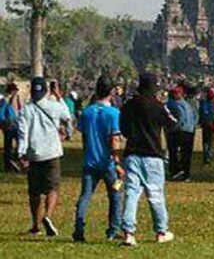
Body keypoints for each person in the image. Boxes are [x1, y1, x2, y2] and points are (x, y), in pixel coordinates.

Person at [120, 72, 176, 246]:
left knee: (131, 194)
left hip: (133, 154)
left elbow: (123, 129)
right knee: (155, 194)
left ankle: (129, 233)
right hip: (153, 155)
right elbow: (173, 123)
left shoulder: (129, 105)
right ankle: (161, 231)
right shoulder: (158, 106)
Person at [18, 77, 72, 237]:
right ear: (46, 90)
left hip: (34, 154)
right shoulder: (54, 106)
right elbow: (67, 114)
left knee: (34, 192)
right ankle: (48, 216)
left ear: (32, 90)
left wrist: (21, 153)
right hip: (52, 152)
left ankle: (35, 225)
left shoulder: (25, 110)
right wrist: (59, 95)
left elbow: (23, 133)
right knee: (53, 188)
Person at [73, 75, 123, 243]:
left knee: (85, 196)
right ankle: (113, 229)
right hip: (107, 162)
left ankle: (78, 229)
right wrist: (117, 162)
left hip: (90, 161)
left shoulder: (87, 112)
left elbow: (85, 137)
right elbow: (114, 139)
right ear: (111, 92)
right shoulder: (114, 113)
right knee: (115, 195)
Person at [165, 86, 197, 182]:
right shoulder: (187, 104)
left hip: (179, 131)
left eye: (177, 93)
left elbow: (178, 117)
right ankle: (184, 172)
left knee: (175, 152)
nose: (175, 94)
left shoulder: (172, 104)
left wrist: (173, 128)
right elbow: (194, 116)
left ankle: (177, 171)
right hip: (188, 130)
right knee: (185, 153)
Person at [1, 83, 22, 172]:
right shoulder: (4, 100)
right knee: (8, 146)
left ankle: (16, 162)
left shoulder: (16, 98)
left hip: (16, 122)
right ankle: (8, 165)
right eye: (15, 90)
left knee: (19, 144)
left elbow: (19, 108)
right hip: (8, 124)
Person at [198, 88, 214, 165]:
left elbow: (200, 114)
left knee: (205, 142)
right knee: (211, 142)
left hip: (205, 126)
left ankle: (206, 156)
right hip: (212, 126)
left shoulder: (203, 105)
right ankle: (209, 155)